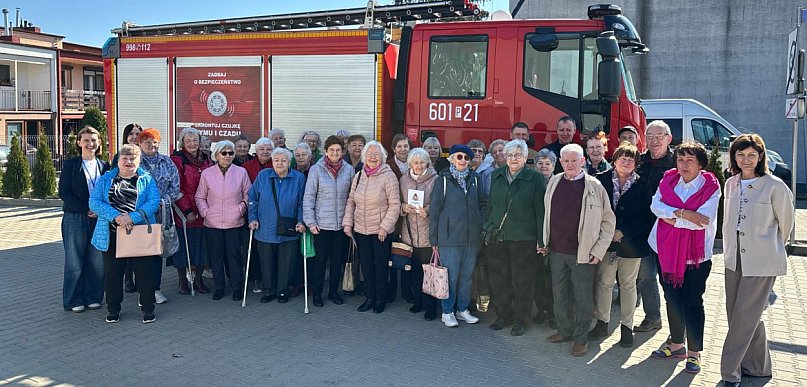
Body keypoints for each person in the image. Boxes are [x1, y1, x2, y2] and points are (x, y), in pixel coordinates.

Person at [720, 134, 795, 386]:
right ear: (734, 157)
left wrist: (769, 247)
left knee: (743, 318)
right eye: (741, 155)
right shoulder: (730, 183)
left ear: (761, 156)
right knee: (739, 315)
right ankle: (759, 367)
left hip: (760, 261)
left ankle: (729, 372)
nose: (746, 159)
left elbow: (786, 224)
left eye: (752, 154)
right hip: (733, 259)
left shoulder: (774, 186)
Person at [647, 141, 720, 374]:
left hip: (695, 257)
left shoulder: (711, 186)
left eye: (690, 160)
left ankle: (694, 353)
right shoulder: (668, 179)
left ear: (700, 164)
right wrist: (681, 213)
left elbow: (702, 222)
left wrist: (671, 218)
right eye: (680, 159)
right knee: (672, 299)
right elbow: (655, 205)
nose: (683, 164)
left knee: (692, 303)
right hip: (665, 250)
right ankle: (677, 344)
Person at [542, 143, 615, 357]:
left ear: (582, 162)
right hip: (556, 251)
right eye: (566, 161)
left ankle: (581, 338)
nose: (570, 164)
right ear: (561, 162)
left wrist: (599, 250)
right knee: (560, 294)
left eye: (574, 160)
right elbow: (547, 215)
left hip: (583, 254)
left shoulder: (594, 186)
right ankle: (564, 331)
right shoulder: (554, 182)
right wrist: (544, 242)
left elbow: (608, 222)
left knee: (583, 298)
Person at [588, 143, 654, 348]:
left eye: (630, 159)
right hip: (606, 243)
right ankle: (602, 323)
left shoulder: (643, 184)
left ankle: (627, 328)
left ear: (635, 163)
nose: (626, 162)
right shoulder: (601, 180)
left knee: (628, 285)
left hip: (632, 244)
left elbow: (647, 215)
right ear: (614, 160)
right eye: (622, 158)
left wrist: (623, 231)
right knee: (604, 283)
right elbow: (594, 211)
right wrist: (609, 232)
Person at [89, 144, 161, 324]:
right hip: (112, 234)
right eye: (125, 158)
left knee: (144, 273)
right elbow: (94, 202)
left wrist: (133, 217)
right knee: (112, 273)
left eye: (133, 159)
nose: (128, 162)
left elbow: (154, 201)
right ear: (118, 160)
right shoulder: (106, 179)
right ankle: (113, 309)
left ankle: (148, 309)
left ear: (139, 161)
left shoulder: (147, 178)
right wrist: (117, 217)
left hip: (140, 233)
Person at [486, 140, 546, 336]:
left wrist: (541, 239)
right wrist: (488, 226)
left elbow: (540, 211)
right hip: (499, 237)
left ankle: (521, 319)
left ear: (525, 157)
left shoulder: (535, 178)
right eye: (510, 155)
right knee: (500, 279)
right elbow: (492, 205)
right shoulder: (497, 175)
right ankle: (504, 315)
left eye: (518, 155)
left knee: (523, 281)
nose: (513, 159)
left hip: (524, 238)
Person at [430, 144, 486, 327]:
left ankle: (462, 309)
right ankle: (447, 311)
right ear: (452, 159)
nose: (463, 160)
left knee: (467, 276)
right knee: (451, 277)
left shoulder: (476, 179)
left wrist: (481, 224)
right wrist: (434, 239)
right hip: (449, 238)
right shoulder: (443, 181)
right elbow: (435, 210)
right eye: (459, 157)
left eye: (466, 158)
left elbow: (483, 204)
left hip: (472, 238)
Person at [343, 141, 401, 314]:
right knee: (366, 265)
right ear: (364, 157)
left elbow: (395, 205)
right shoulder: (359, 176)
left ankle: (380, 299)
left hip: (380, 231)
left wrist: (385, 227)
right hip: (361, 229)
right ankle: (370, 297)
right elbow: (351, 201)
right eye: (369, 155)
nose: (373, 157)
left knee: (381, 265)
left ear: (382, 157)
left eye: (376, 154)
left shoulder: (388, 176)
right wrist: (348, 223)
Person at [59, 126, 110, 313]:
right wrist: (86, 209)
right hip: (75, 217)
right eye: (86, 140)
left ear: (99, 143)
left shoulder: (104, 166)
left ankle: (94, 296)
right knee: (74, 261)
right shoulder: (71, 165)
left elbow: (109, 192)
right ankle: (73, 299)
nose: (90, 144)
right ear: (79, 142)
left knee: (96, 260)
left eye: (94, 140)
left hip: (99, 218)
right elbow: (64, 192)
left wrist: (100, 211)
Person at [195, 141, 252, 301]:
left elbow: (248, 194)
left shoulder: (241, 172)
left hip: (234, 222)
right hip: (212, 223)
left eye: (230, 153)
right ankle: (219, 287)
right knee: (216, 257)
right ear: (217, 155)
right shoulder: (207, 173)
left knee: (234, 256)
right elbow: (200, 196)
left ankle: (237, 287)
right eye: (224, 153)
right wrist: (206, 212)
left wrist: (240, 209)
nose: (227, 156)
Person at [248, 148, 307, 304]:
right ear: (272, 162)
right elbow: (252, 198)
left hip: (289, 228)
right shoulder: (263, 176)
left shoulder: (299, 178)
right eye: (276, 160)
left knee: (286, 262)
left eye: (283, 160)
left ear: (289, 162)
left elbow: (302, 203)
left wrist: (301, 221)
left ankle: (282, 290)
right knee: (266, 262)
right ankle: (269, 290)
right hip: (265, 227)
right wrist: (252, 218)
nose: (280, 163)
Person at [633, 120, 676, 333]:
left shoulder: (679, 162)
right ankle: (652, 318)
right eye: (650, 136)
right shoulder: (638, 162)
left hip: (669, 231)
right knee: (645, 277)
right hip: (643, 230)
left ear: (669, 138)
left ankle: (677, 329)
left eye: (659, 136)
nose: (654, 140)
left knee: (670, 281)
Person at [303, 135, 354, 307]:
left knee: (337, 261)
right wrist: (310, 221)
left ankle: (333, 292)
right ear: (325, 151)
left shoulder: (348, 170)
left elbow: (351, 198)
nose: (334, 153)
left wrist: (349, 221)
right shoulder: (316, 170)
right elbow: (309, 197)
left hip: (341, 225)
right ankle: (317, 293)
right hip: (321, 224)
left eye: (338, 150)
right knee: (320, 261)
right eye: (331, 150)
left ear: (342, 152)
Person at [137, 128, 181, 303]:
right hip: (142, 217)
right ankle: (143, 292)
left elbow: (175, 186)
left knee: (157, 254)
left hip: (162, 215)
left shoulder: (167, 162)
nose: (151, 145)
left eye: (154, 142)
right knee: (142, 255)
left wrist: (164, 200)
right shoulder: (136, 162)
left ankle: (155, 289)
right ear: (140, 144)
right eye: (147, 142)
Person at [171, 127, 213, 295]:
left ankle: (198, 280)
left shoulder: (207, 159)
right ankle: (182, 281)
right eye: (188, 140)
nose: (192, 143)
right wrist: (187, 210)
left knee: (202, 247)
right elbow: (177, 187)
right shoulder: (177, 160)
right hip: (185, 211)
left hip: (203, 209)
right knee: (183, 247)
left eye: (195, 140)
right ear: (182, 142)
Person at [399, 148, 439, 320]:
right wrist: (403, 208)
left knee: (429, 272)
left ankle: (430, 307)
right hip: (409, 234)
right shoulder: (403, 179)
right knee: (415, 271)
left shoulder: (436, 180)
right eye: (415, 162)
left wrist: (428, 211)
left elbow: (439, 205)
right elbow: (397, 202)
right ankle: (418, 302)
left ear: (427, 163)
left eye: (422, 162)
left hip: (427, 234)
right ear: (410, 164)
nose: (419, 165)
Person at [242, 137, 274, 292]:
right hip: (253, 212)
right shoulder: (247, 167)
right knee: (254, 248)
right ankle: (257, 279)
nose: (265, 152)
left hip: (273, 213)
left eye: (268, 149)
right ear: (256, 151)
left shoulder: (278, 164)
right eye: (262, 149)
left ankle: (272, 278)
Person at [531, 147, 557, 328]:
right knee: (538, 277)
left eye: (547, 163)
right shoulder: (530, 183)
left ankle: (554, 313)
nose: (544, 166)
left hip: (555, 237)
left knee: (554, 278)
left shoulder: (560, 182)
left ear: (554, 165)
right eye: (540, 163)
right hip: (534, 237)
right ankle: (542, 309)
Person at [114, 122, 141, 294]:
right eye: (131, 134)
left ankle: (140, 280)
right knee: (125, 247)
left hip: (140, 211)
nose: (135, 137)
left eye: (138, 134)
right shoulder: (119, 156)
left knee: (141, 247)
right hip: (123, 210)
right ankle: (127, 279)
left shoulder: (145, 155)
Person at [386, 133, 413, 303]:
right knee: (391, 253)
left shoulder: (414, 165)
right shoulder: (388, 166)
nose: (403, 149)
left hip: (410, 218)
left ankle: (406, 290)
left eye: (406, 146)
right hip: (392, 218)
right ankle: (391, 289)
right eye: (400, 146)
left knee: (407, 253)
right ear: (394, 149)